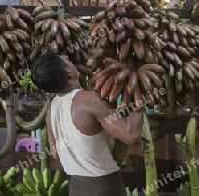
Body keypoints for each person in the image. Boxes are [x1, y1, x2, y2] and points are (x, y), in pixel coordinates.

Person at [31, 48, 144, 196]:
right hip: (103, 187)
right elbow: (132, 135)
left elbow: (56, 153)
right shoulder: (89, 101)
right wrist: (138, 92)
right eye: (68, 61)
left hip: (76, 187)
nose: (71, 62)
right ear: (69, 72)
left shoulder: (51, 110)